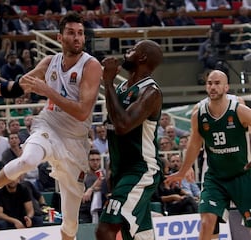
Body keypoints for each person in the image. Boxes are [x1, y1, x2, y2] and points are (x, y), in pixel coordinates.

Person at [0, 12, 102, 240]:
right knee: (28, 159)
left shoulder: (91, 66)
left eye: (80, 33)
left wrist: (48, 91)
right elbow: (17, 88)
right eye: (71, 33)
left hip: (76, 142)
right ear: (60, 37)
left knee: (70, 224)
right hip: (49, 124)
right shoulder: (48, 62)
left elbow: (82, 112)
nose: (77, 38)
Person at [165, 70, 251, 239]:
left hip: (243, 174)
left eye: (217, 83)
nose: (212, 87)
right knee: (206, 224)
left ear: (226, 87)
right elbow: (195, 142)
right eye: (209, 83)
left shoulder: (238, 109)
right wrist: (183, 170)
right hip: (215, 177)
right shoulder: (199, 113)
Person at [95, 39, 163, 240]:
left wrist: (107, 82)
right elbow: (113, 127)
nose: (127, 51)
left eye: (132, 49)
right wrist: (111, 169)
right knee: (138, 236)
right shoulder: (123, 87)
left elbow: (122, 126)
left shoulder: (151, 92)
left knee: (105, 229)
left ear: (142, 57)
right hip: (121, 171)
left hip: (140, 170)